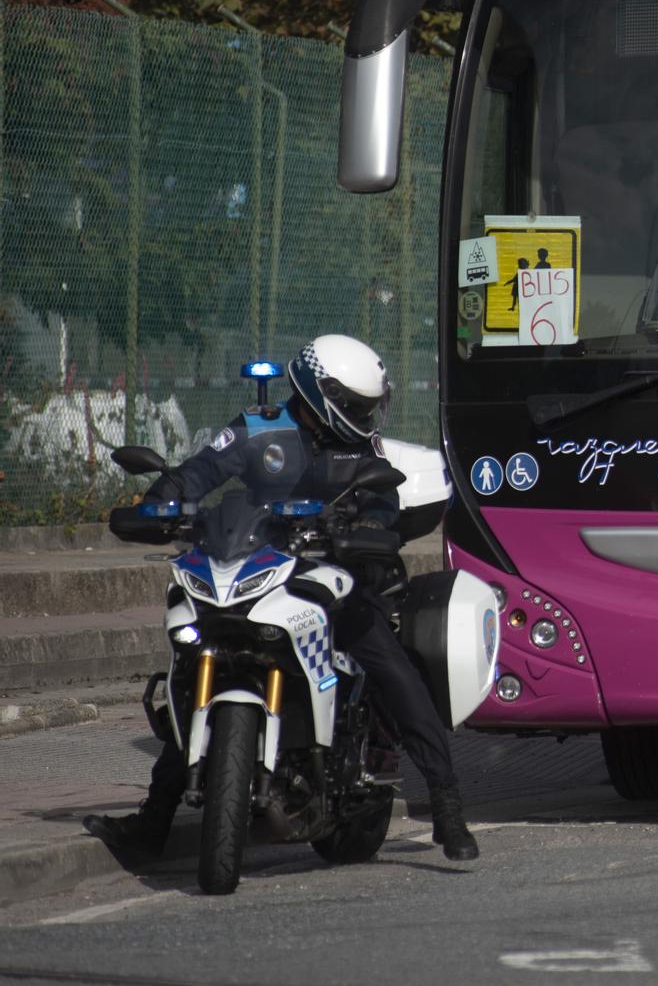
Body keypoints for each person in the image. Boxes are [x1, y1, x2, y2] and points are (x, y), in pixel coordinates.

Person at [83, 335, 479, 862]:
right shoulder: (259, 428)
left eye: (368, 406)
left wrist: (369, 528)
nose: (365, 416)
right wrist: (161, 504)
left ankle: (447, 805)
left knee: (393, 669)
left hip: (333, 580)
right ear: (322, 395)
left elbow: (382, 502)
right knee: (191, 667)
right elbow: (197, 474)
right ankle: (151, 825)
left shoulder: (362, 450)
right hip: (253, 569)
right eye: (356, 406)